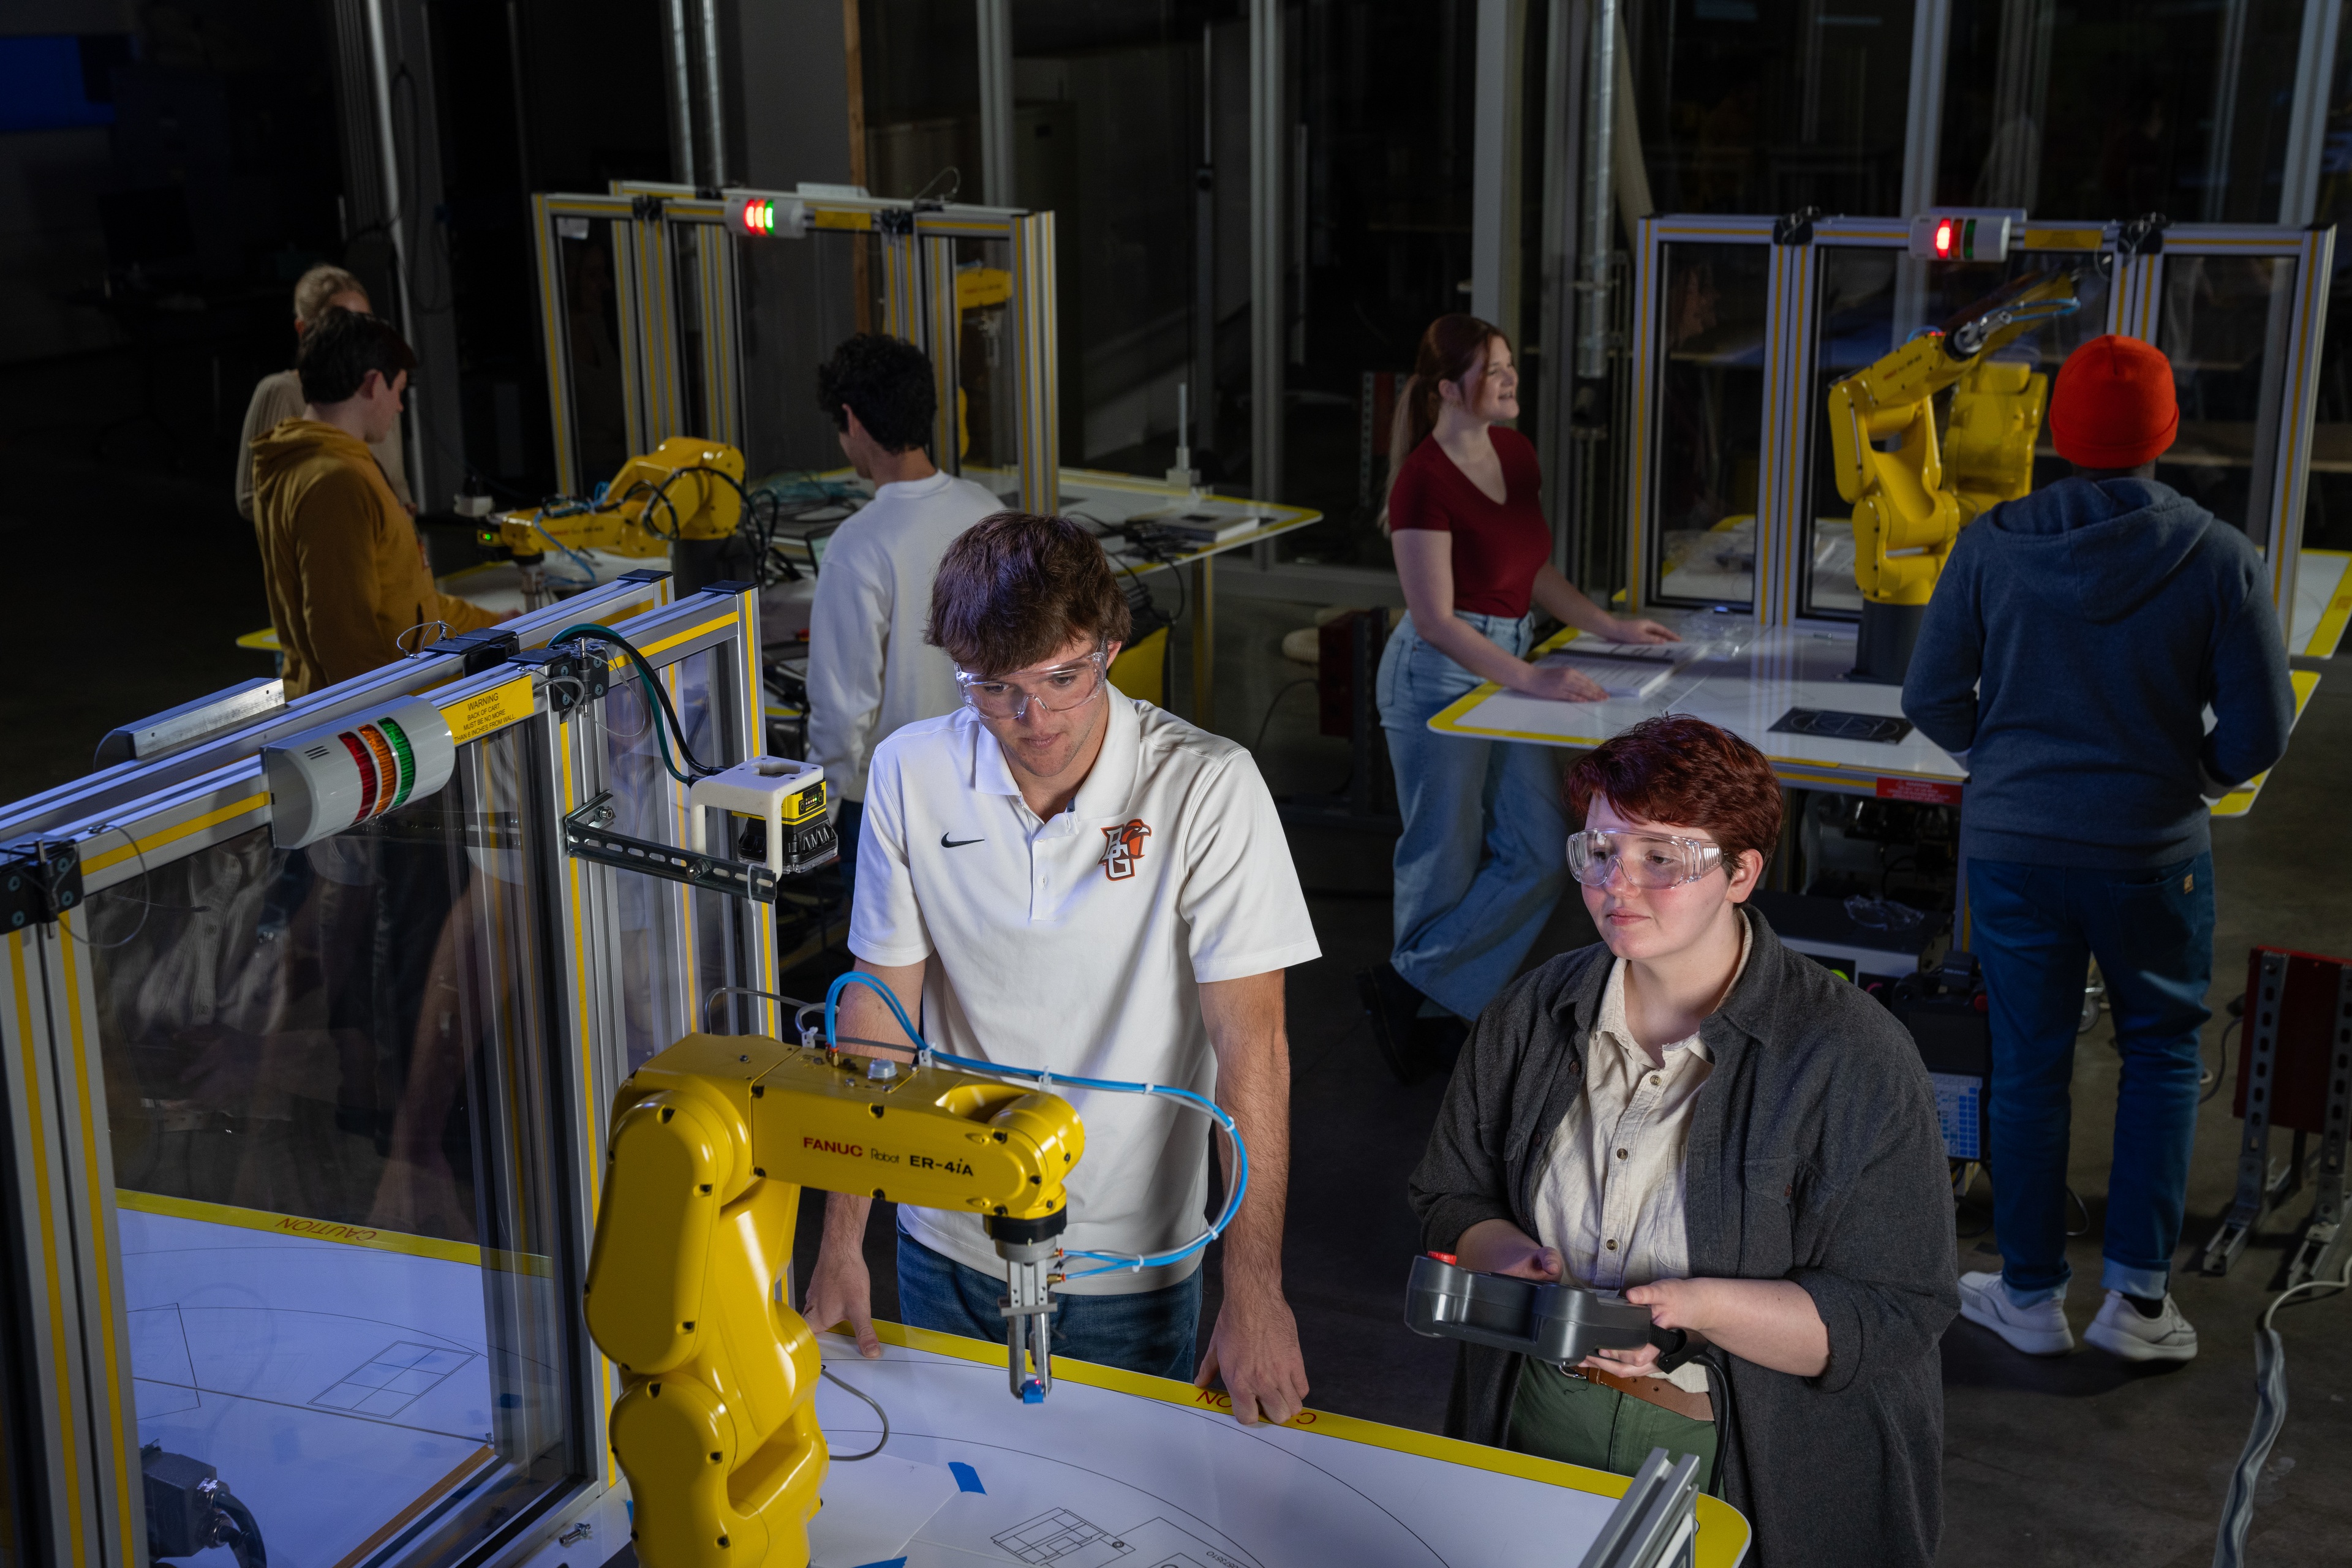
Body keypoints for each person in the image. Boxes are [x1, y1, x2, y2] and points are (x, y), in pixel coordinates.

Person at [802, 513, 1319, 1425]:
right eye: (993, 688)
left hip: (1129, 1259)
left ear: (1112, 649)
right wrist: (844, 1238)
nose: (1032, 719)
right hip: (945, 1232)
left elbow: (1254, 1050)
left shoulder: (1207, 787)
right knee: (959, 1494)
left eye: (1062, 679)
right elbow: (877, 1020)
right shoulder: (908, 774)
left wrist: (1257, 1292)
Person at [1408, 715, 1956, 1568]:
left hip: (1743, 1462)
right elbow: (1449, 1195)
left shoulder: (1852, 1058)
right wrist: (1511, 1258)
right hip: (1540, 1420)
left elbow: (1894, 1311)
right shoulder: (1532, 1013)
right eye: (1598, 851)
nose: (1615, 885)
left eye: (1662, 858)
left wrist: (1690, 1309)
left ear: (1742, 874)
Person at [1903, 334, 2294, 1364]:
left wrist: (2015, 765)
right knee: (2160, 1053)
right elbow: (2260, 733)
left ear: (2056, 432)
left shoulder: (1992, 544)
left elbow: (1929, 694)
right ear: (2165, 433)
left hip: (2015, 852)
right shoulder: (2218, 554)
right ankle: (2138, 1305)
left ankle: (2029, 1297)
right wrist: (2193, 778)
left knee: (2029, 1063)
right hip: (2150, 852)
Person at [1359, 315, 1678, 1083]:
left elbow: (1531, 568)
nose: (1509, 380)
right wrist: (1534, 678)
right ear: (1447, 389)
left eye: (1508, 365)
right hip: (1438, 676)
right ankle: (1428, 1022)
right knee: (1443, 855)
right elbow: (1433, 620)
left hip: (1503, 655)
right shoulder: (1422, 481)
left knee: (1540, 849)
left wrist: (1607, 624)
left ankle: (1408, 988)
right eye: (1493, 370)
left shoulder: (1515, 453)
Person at [807, 333, 1003, 889]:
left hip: (891, 802)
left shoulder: (858, 545)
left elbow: (843, 707)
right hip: (992, 780)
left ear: (852, 419)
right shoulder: (987, 512)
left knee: (889, 966)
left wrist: (821, 802)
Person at [251, 310, 499, 698]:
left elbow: (404, 597)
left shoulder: (323, 463)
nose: (399, 407)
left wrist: (495, 625)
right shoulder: (334, 483)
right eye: (397, 390)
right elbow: (343, 636)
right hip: (375, 729)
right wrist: (396, 724)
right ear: (371, 383)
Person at [236, 265, 412, 522]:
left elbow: (397, 482)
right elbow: (250, 499)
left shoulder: (379, 391)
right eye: (341, 326)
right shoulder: (281, 392)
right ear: (304, 330)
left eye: (364, 325)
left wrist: (403, 511)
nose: (357, 338)